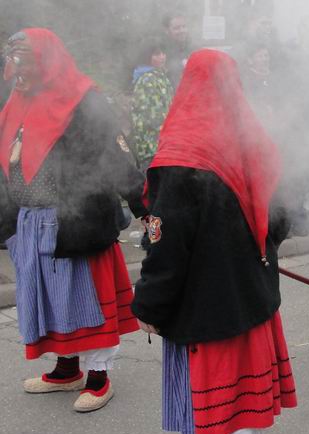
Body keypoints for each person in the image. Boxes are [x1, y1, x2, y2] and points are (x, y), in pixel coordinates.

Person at [131, 49, 296, 434]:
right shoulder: (253, 139)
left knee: (236, 402)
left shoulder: (181, 154)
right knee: (250, 396)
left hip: (213, 305)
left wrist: (149, 305)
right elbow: (281, 219)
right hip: (252, 296)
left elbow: (167, 244)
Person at [0, 29, 147, 411]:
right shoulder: (18, 100)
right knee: (50, 301)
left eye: (25, 61)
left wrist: (145, 206)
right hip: (32, 222)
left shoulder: (83, 99)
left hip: (75, 220)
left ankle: (98, 377)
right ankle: (67, 369)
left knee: (85, 300)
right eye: (14, 63)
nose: (17, 72)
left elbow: (115, 158)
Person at [130, 37, 174, 170]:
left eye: (163, 53)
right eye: (157, 54)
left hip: (162, 145)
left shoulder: (160, 77)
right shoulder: (147, 80)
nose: (162, 57)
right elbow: (153, 117)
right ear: (146, 57)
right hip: (151, 147)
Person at [162, 13, 192, 87]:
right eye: (177, 28)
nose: (182, 31)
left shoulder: (193, 49)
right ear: (166, 30)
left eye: (184, 27)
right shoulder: (161, 52)